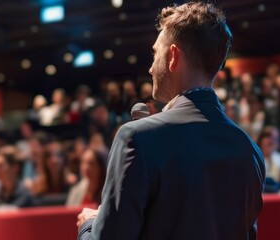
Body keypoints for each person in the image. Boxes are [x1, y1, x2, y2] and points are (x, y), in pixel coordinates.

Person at [76, 3, 265, 239]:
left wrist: (89, 225)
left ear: (173, 56)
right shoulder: (249, 150)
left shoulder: (136, 138)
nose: (150, 68)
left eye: (155, 53)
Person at [256, 127, 280, 192]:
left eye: (275, 139)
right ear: (260, 140)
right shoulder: (254, 160)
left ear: (279, 142)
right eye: (267, 136)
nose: (271, 141)